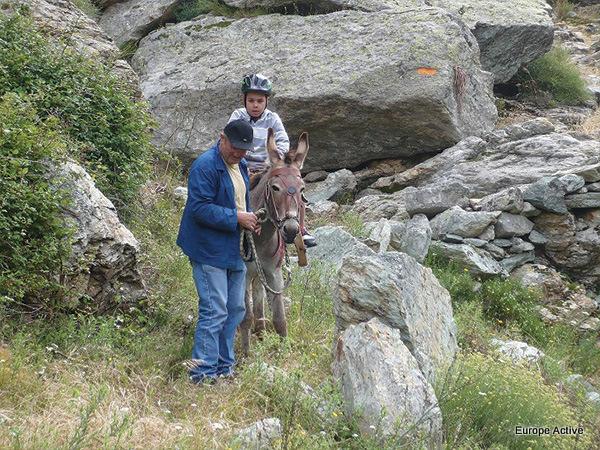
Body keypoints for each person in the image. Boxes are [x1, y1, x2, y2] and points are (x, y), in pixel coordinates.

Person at [177, 119, 260, 384]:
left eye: (244, 150)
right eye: (235, 148)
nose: (239, 154)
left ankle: (224, 367)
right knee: (215, 310)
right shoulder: (205, 166)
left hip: (233, 248)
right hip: (208, 249)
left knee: (235, 308)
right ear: (221, 138)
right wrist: (237, 218)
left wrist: (249, 222)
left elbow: (239, 201)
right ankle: (202, 373)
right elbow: (199, 208)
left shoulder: (241, 166)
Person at [228, 73, 317, 248]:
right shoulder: (238, 115)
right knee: (230, 188)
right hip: (241, 166)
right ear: (244, 100)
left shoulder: (272, 118)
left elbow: (283, 140)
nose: (255, 105)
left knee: (291, 185)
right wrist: (240, 159)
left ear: (266, 101)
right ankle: (233, 221)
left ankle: (300, 227)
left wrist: (276, 159)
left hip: (267, 166)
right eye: (251, 100)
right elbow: (229, 138)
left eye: (259, 101)